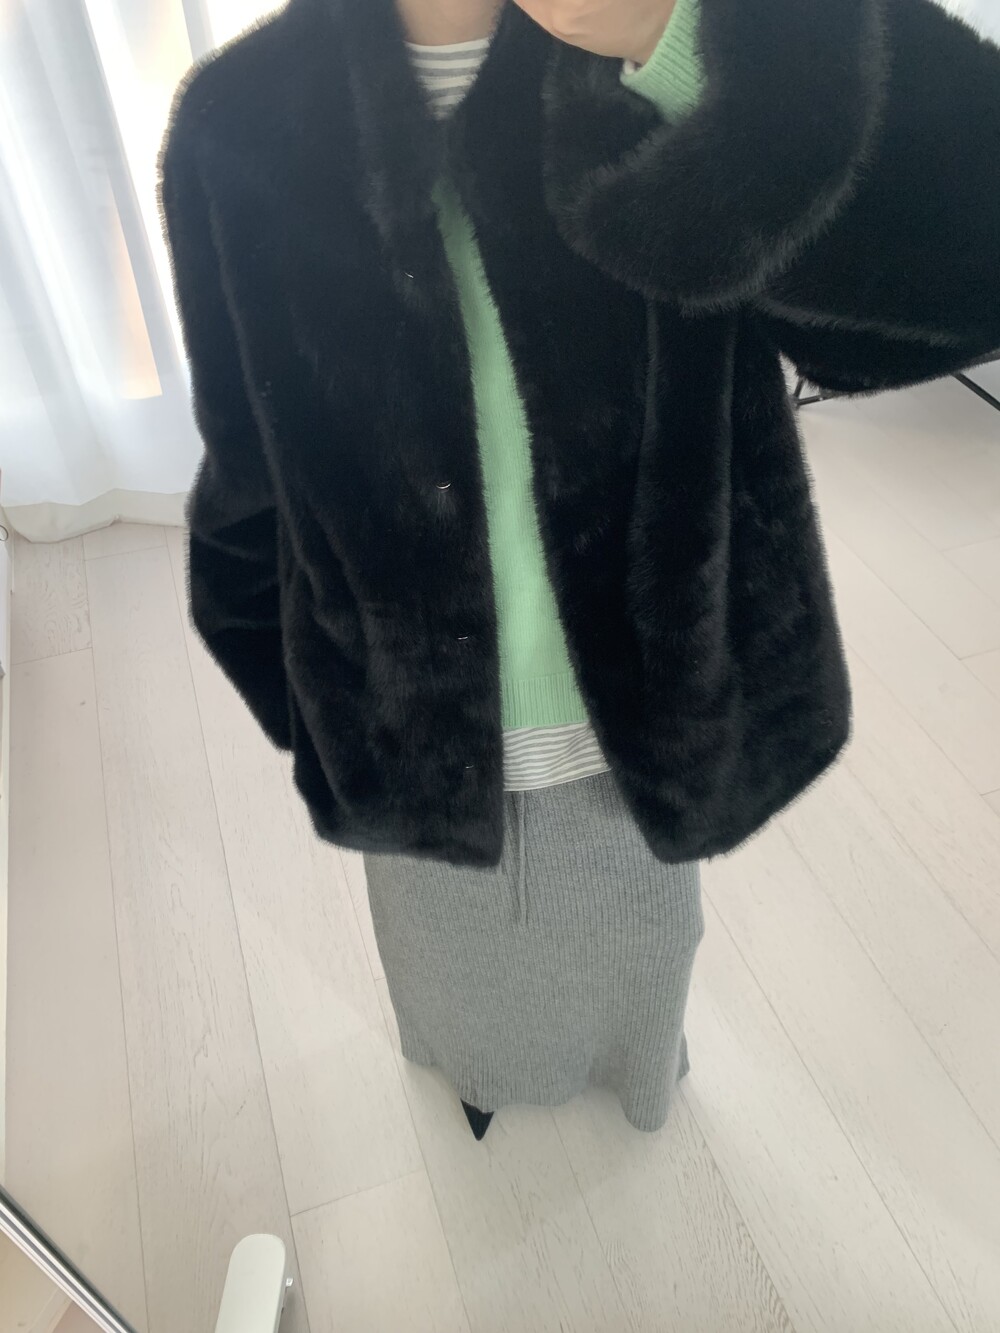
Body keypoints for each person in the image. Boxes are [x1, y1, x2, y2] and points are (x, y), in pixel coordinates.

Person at [159, 0, 1000, 1138]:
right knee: (447, 955)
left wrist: (684, 43)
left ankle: (640, 1076)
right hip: (404, 713)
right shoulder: (241, 125)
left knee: (642, 942)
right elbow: (246, 458)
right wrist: (310, 691)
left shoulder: (684, 48)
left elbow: (969, 250)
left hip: (656, 688)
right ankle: (480, 1070)